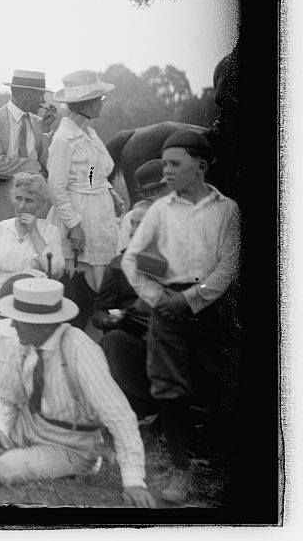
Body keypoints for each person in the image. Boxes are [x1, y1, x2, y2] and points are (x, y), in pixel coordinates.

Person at [0, 278, 156, 509]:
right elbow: (5, 397)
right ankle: (23, 455)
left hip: (70, 443)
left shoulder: (79, 350)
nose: (12, 325)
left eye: (19, 320)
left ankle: (76, 464)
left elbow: (120, 415)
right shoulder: (23, 343)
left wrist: (134, 481)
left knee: (4, 470)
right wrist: (0, 428)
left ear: (42, 324)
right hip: (25, 425)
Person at [121, 130, 240, 504]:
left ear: (200, 166)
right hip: (166, 310)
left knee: (216, 384)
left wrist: (189, 299)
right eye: (165, 165)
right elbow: (132, 259)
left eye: (175, 164)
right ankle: (180, 469)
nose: (167, 172)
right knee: (169, 389)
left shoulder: (227, 210)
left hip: (210, 309)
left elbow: (228, 266)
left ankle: (219, 469)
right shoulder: (158, 210)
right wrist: (159, 297)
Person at [0, 172, 64, 411]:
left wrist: (34, 233)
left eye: (29, 200)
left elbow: (55, 271)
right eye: (18, 198)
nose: (22, 206)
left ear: (41, 204)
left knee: (13, 337)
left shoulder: (50, 232)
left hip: (31, 300)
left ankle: (16, 400)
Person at [46, 70, 123, 291]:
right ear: (87, 104)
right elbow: (56, 188)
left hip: (98, 214)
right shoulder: (63, 139)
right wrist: (75, 226)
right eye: (100, 99)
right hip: (79, 215)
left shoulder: (89, 133)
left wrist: (111, 192)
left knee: (102, 275)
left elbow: (91, 173)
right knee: (80, 279)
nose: (102, 103)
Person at [93, 201, 156, 421]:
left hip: (164, 344)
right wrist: (107, 320)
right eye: (133, 224)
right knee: (113, 340)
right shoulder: (118, 264)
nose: (134, 230)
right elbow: (99, 310)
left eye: (142, 224)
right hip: (129, 339)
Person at [0, 69, 54, 229]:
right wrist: (34, 166)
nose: (43, 101)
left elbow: (48, 166)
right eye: (41, 95)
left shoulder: (40, 123)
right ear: (27, 95)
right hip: (2, 201)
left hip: (36, 205)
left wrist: (46, 131)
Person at [117, 159, 168, 250]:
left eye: (158, 190)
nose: (154, 196)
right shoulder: (133, 217)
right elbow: (123, 253)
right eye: (148, 193)